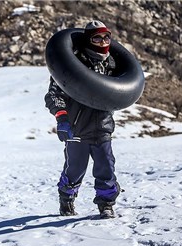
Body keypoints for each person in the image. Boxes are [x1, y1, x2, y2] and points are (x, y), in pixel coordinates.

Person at [44, 20, 121, 219]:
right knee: (75, 169)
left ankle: (106, 204)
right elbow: (53, 95)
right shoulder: (71, 65)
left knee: (106, 167)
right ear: (88, 40)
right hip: (76, 128)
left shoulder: (112, 64)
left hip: (102, 127)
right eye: (97, 37)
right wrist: (62, 119)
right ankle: (67, 199)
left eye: (106, 37)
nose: (102, 41)